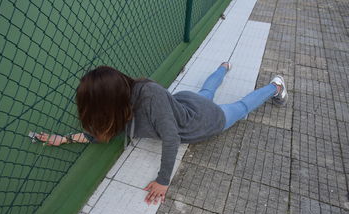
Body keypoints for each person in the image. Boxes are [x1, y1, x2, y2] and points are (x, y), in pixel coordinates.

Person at [36, 63, 288, 205]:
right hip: (186, 103)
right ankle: (224, 66)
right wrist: (64, 139)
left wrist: (163, 180)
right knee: (206, 90)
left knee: (241, 107)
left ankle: (276, 86)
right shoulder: (120, 104)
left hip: (205, 120)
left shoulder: (150, 95)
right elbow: (102, 132)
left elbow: (172, 138)